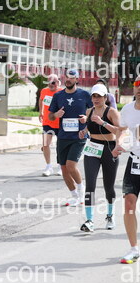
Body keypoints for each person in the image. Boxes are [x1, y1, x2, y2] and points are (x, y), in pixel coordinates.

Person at [77, 83, 120, 233]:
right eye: (94, 96)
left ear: (105, 97)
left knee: (109, 187)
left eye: (99, 96)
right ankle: (89, 220)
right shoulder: (89, 111)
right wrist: (84, 131)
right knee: (90, 185)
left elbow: (120, 131)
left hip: (109, 149)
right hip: (92, 149)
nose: (96, 99)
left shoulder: (112, 112)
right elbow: (89, 126)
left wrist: (103, 122)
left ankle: (110, 215)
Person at [48, 69, 92, 207]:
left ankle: (82, 191)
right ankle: (74, 196)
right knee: (64, 168)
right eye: (66, 77)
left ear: (77, 79)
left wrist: (86, 118)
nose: (68, 80)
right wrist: (56, 115)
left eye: (71, 78)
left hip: (79, 136)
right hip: (63, 136)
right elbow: (50, 116)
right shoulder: (58, 95)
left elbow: (94, 112)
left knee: (71, 165)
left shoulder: (84, 95)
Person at [113, 76, 140, 263]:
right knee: (129, 204)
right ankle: (134, 248)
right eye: (137, 84)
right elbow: (122, 129)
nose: (139, 88)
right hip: (134, 162)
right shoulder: (128, 109)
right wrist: (119, 144)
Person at [38, 74, 63, 176]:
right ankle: (49, 167)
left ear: (57, 82)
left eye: (53, 82)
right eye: (49, 82)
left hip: (59, 123)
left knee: (60, 146)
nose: (51, 84)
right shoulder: (44, 91)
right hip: (47, 122)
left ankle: (61, 166)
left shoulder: (62, 92)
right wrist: (41, 112)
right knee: (45, 144)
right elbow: (41, 100)